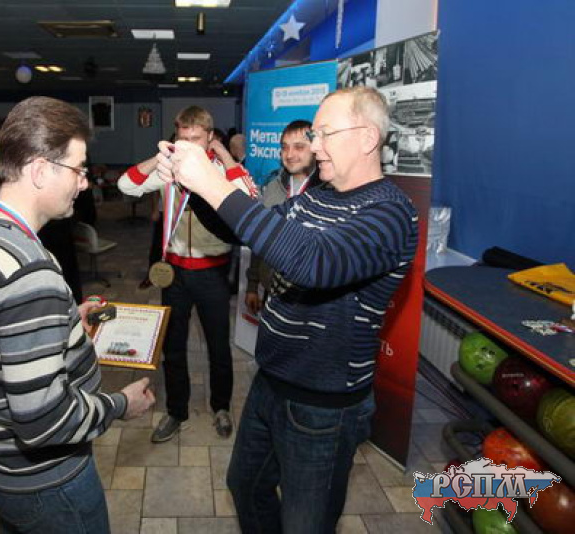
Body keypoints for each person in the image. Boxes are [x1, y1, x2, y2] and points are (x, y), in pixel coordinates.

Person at [156, 87, 419, 533]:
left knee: (305, 523)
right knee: (245, 486)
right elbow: (249, 230)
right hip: (272, 381)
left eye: (324, 134)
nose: (315, 146)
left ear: (368, 137)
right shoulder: (318, 196)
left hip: (324, 405)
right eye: (314, 135)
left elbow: (311, 261)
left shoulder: (390, 214)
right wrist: (194, 187)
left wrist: (214, 183)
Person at [0, 96, 155, 534]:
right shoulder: (28, 272)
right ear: (41, 170)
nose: (84, 182)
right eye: (78, 169)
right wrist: (121, 405)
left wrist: (62, 319)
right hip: (47, 480)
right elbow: (43, 421)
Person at [118, 106, 255, 443]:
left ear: (209, 137)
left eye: (196, 139)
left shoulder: (221, 170)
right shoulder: (169, 169)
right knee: (173, 347)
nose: (189, 146)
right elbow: (126, 185)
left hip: (212, 273)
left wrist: (224, 154)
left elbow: (250, 198)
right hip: (175, 273)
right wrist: (158, 158)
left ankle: (221, 407)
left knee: (218, 346)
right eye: (183, 139)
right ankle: (176, 411)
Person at [244, 120, 319, 317]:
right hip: (271, 292)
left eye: (299, 147)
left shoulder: (328, 192)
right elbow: (260, 238)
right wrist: (253, 285)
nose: (290, 154)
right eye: (285, 147)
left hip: (312, 302)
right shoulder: (272, 187)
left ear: (316, 149)